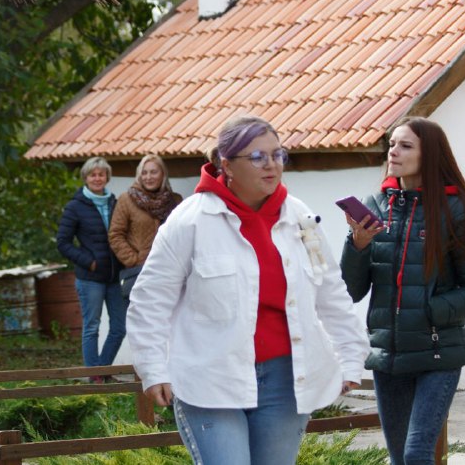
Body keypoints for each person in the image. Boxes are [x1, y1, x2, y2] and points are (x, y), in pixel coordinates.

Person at [127, 115, 370, 465]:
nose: (271, 165)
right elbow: (150, 300)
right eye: (257, 157)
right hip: (209, 379)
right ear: (226, 165)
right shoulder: (189, 220)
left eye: (277, 155)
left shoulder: (299, 216)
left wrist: (351, 357)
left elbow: (330, 291)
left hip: (286, 380)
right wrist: (153, 368)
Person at [340, 117, 465, 465]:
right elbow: (350, 290)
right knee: (399, 458)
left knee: (416, 454)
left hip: (437, 354)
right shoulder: (375, 206)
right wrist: (358, 244)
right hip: (388, 357)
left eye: (405, 145)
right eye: (392, 144)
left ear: (430, 155)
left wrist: (427, 311)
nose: (393, 151)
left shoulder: (456, 209)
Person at [56, 157, 125, 381]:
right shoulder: (75, 206)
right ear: (85, 178)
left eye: (101, 174)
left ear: (107, 177)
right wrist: (88, 261)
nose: (97, 178)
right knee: (92, 327)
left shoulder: (115, 203)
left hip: (114, 277)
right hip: (90, 278)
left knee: (120, 327)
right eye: (92, 175)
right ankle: (95, 377)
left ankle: (101, 372)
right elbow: (63, 242)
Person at [108, 154, 182, 276]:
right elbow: (115, 235)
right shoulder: (126, 199)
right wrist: (134, 260)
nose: (148, 177)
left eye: (153, 172)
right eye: (144, 173)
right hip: (140, 270)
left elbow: (181, 233)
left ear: (163, 174)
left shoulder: (175, 200)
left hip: (170, 268)